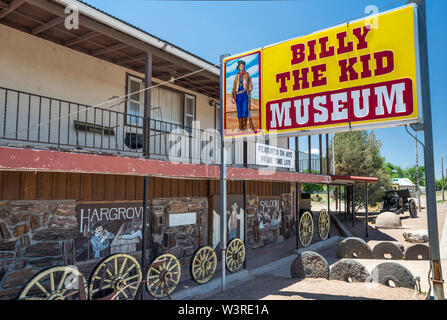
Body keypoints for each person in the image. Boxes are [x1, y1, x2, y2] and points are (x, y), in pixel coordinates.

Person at [232, 60, 253, 132]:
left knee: (244, 110)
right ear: (238, 67)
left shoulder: (247, 74)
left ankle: (245, 126)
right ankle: (240, 127)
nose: (241, 66)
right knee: (239, 111)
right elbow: (234, 86)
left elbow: (250, 83)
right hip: (238, 95)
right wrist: (233, 96)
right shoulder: (237, 76)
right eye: (240, 65)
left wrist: (249, 91)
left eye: (243, 65)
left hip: (244, 94)